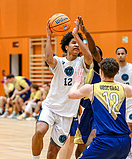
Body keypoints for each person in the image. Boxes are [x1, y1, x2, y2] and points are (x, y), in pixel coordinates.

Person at [31, 18, 93, 159]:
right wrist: (48, 35)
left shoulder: (83, 64)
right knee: (40, 130)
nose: (77, 45)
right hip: (51, 107)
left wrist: (77, 35)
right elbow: (48, 58)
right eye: (73, 43)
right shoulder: (59, 62)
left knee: (53, 152)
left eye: (79, 43)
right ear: (66, 47)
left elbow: (89, 56)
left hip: (67, 114)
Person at [68, 58, 132, 159]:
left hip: (105, 141)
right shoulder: (123, 88)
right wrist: (115, 83)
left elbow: (71, 95)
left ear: (101, 72)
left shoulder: (92, 88)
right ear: (116, 72)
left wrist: (77, 82)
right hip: (125, 141)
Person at [73, 16, 103, 158]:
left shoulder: (98, 67)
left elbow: (93, 51)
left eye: (93, 52)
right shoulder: (81, 66)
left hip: (98, 110)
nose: (89, 52)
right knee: (80, 147)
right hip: (85, 111)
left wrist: (86, 33)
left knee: (91, 141)